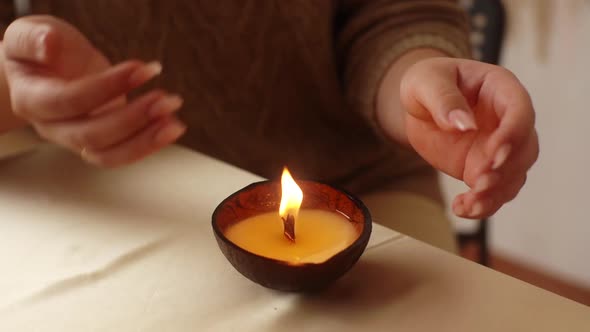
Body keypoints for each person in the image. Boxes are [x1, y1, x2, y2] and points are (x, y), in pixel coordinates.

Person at [0, 1, 538, 252]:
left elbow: (393, 12)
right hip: (109, 194)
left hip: (358, 182)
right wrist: (16, 90)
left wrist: (418, 81)